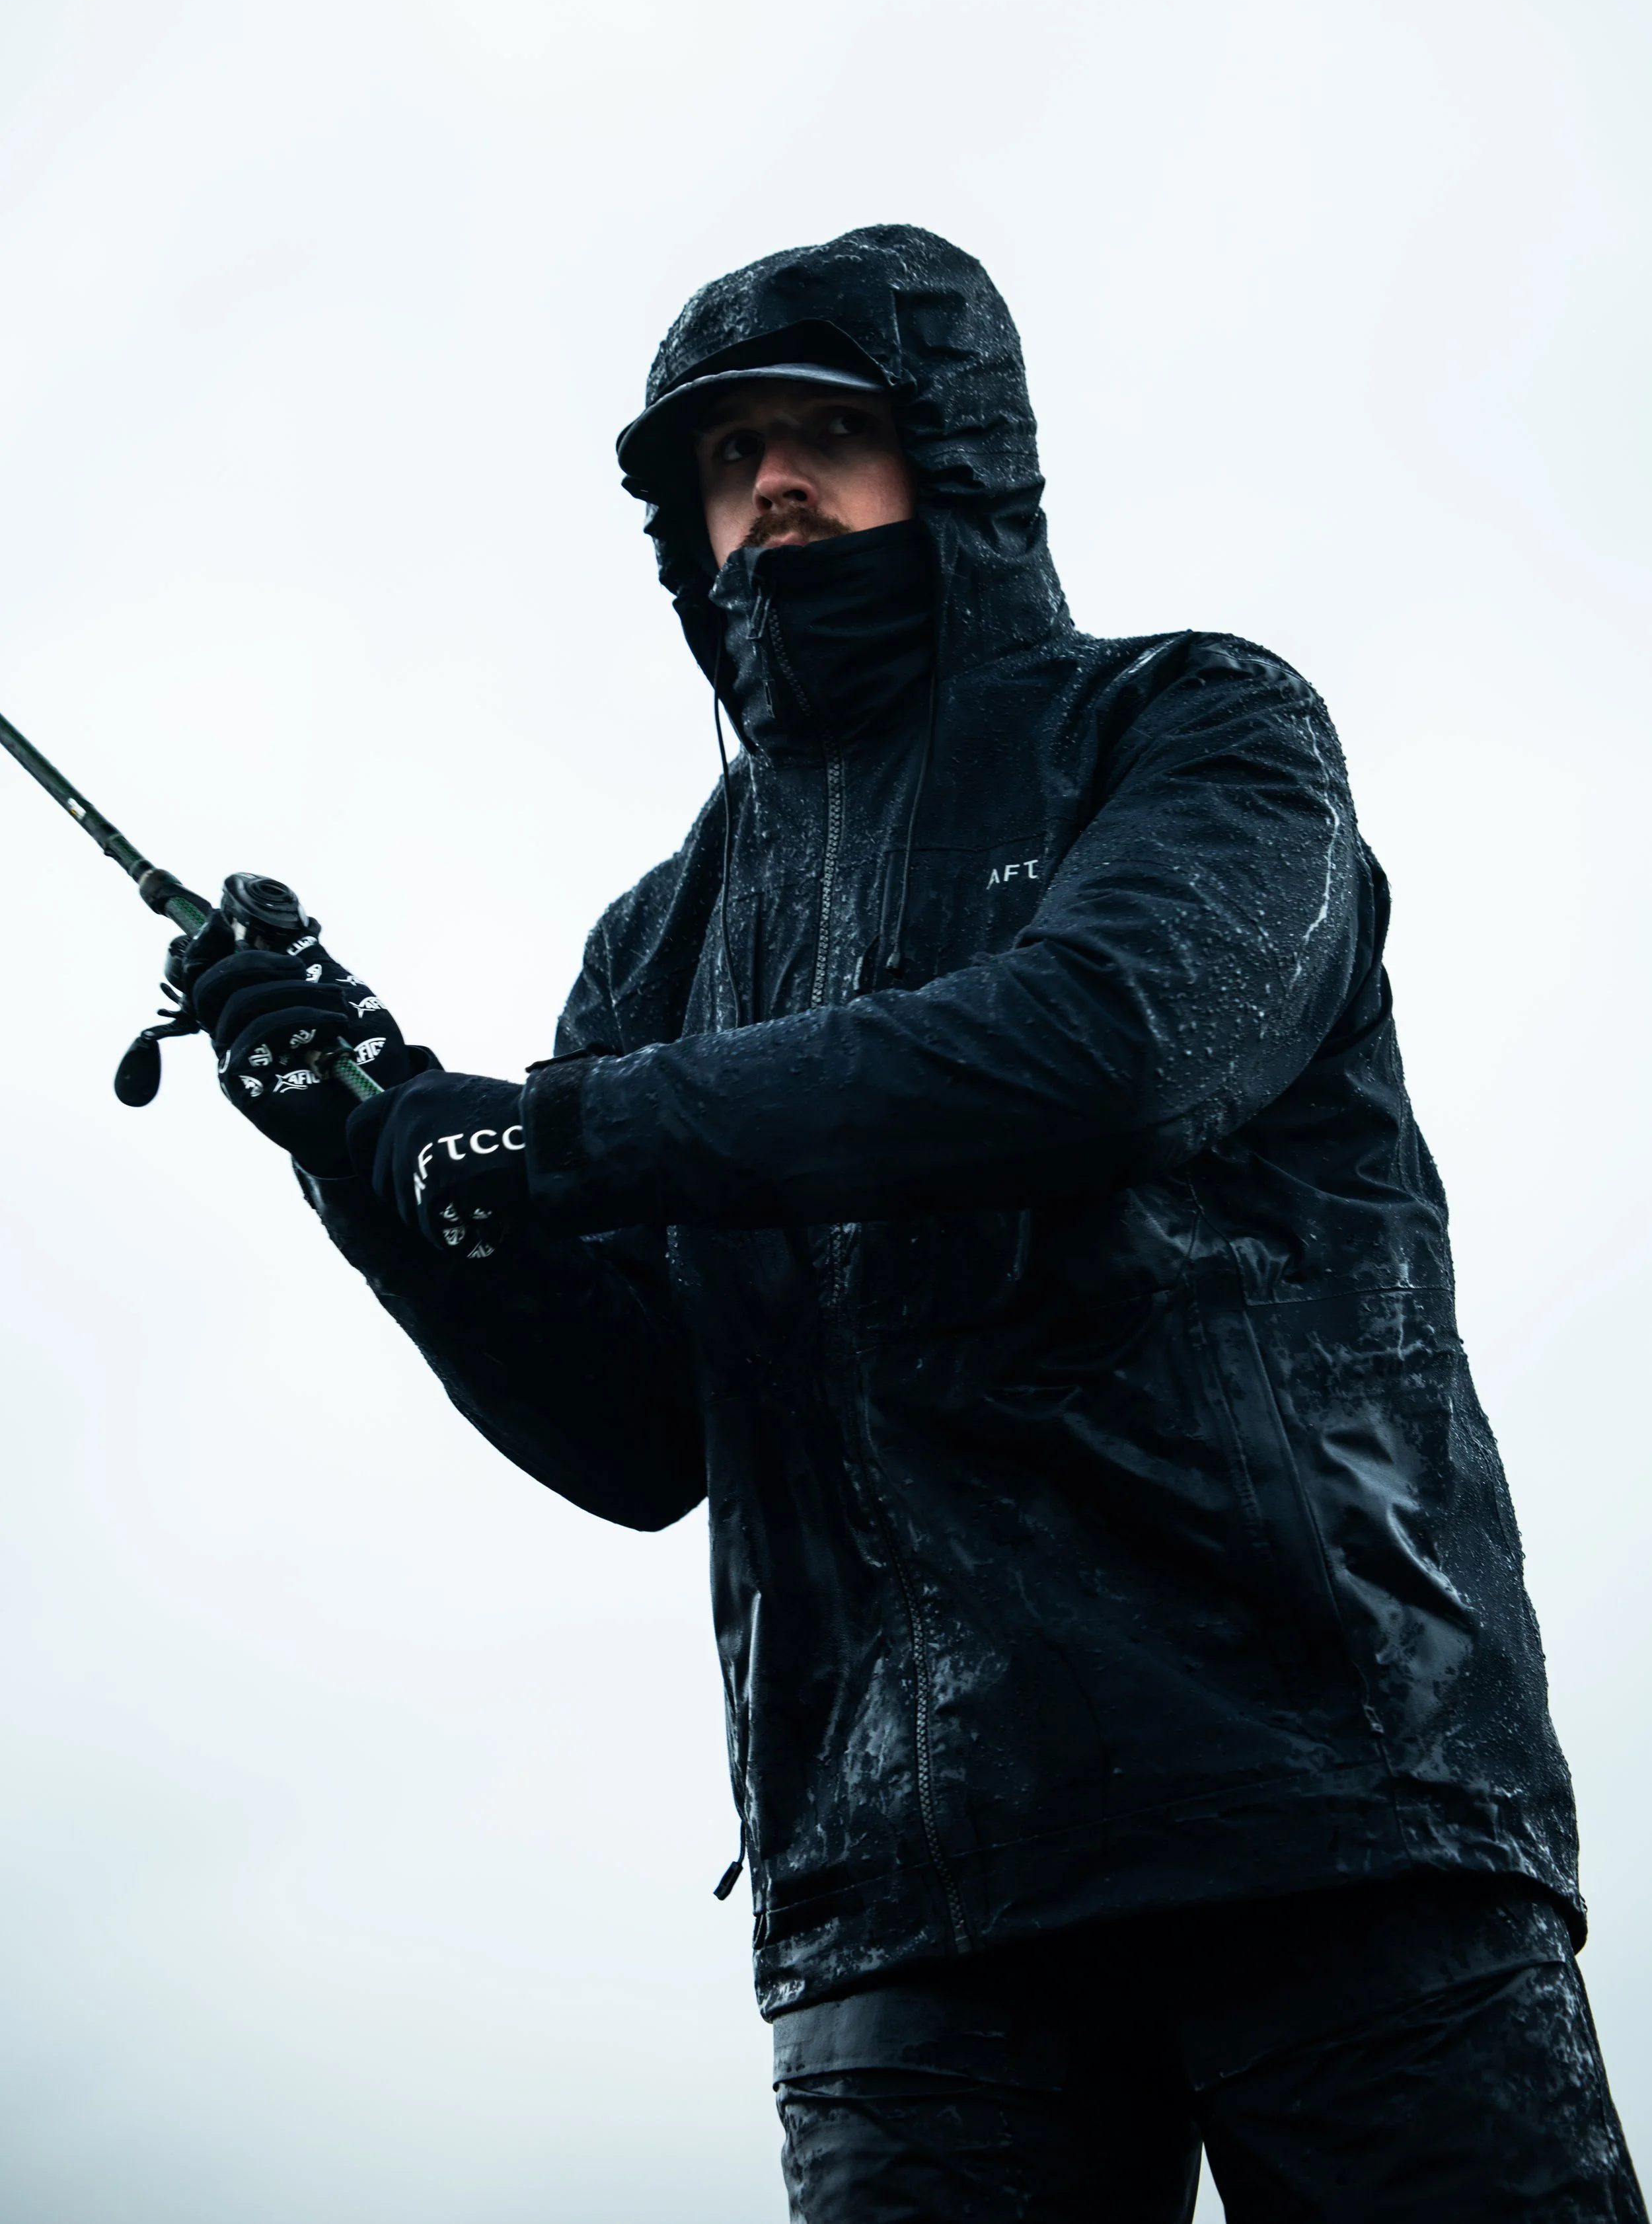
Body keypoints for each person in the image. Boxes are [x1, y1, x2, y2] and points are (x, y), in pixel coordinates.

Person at [181, 225, 1644, 2221]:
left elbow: (1108, 1046)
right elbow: (633, 1438)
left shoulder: (1193, 727)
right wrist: (367, 1164)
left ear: (953, 456)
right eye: (724, 459)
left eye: (824, 433)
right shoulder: (659, 938)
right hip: (902, 1917)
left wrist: (540, 1135)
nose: (768, 484)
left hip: (1325, 1800)